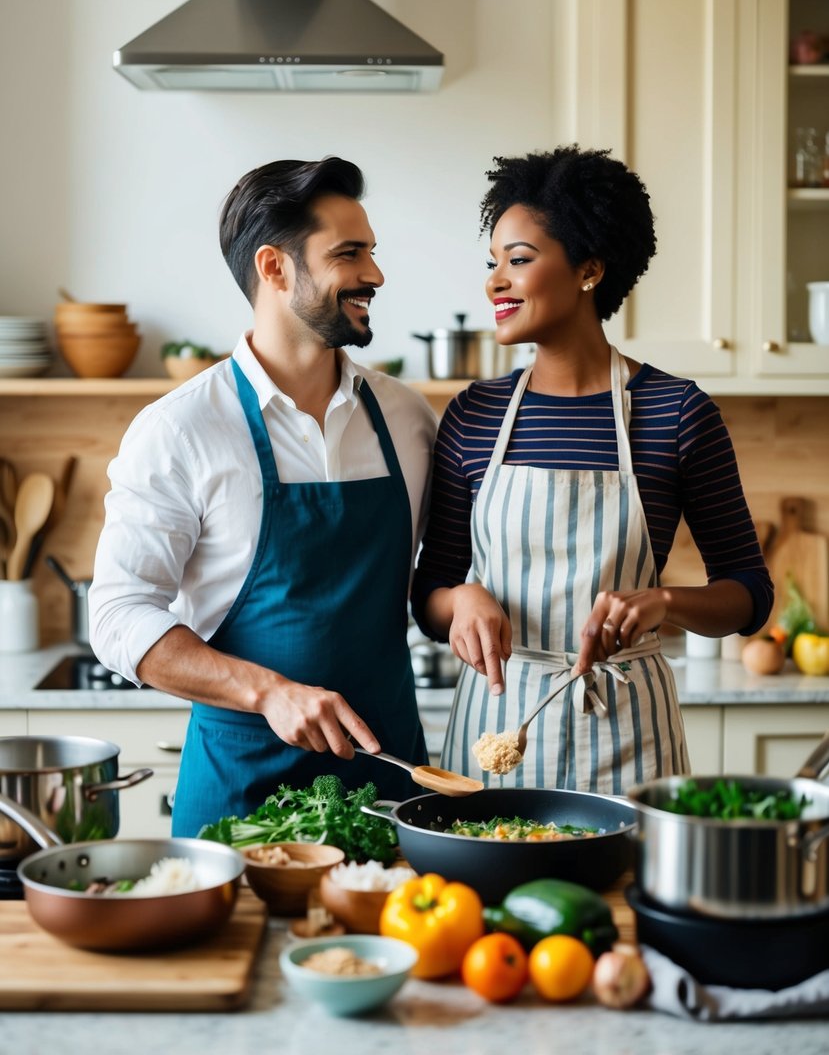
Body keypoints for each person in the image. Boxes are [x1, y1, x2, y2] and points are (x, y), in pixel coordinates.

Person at [89, 157, 437, 836]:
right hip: (241, 810)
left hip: (390, 795)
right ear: (274, 268)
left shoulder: (406, 417)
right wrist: (268, 692)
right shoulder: (182, 428)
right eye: (349, 253)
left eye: (371, 250)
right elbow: (117, 614)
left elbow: (437, 578)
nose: (375, 273)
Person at [410, 145, 773, 794]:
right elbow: (428, 593)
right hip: (495, 725)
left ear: (588, 270)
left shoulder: (676, 412)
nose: (494, 281)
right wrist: (460, 598)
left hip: (629, 736)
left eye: (517, 261)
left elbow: (747, 596)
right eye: (492, 262)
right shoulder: (475, 415)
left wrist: (664, 602)